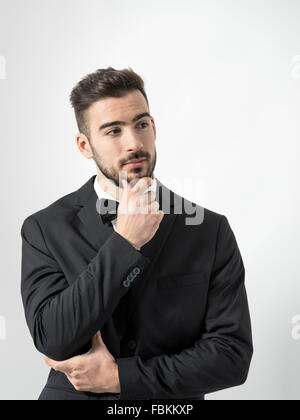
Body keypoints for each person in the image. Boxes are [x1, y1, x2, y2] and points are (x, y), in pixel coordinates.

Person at [20, 67, 253, 401]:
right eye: (113, 131)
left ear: (154, 128)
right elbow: (54, 338)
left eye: (141, 125)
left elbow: (231, 358)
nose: (133, 143)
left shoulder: (209, 229)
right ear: (85, 146)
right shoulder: (44, 228)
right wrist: (125, 242)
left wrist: (120, 378)